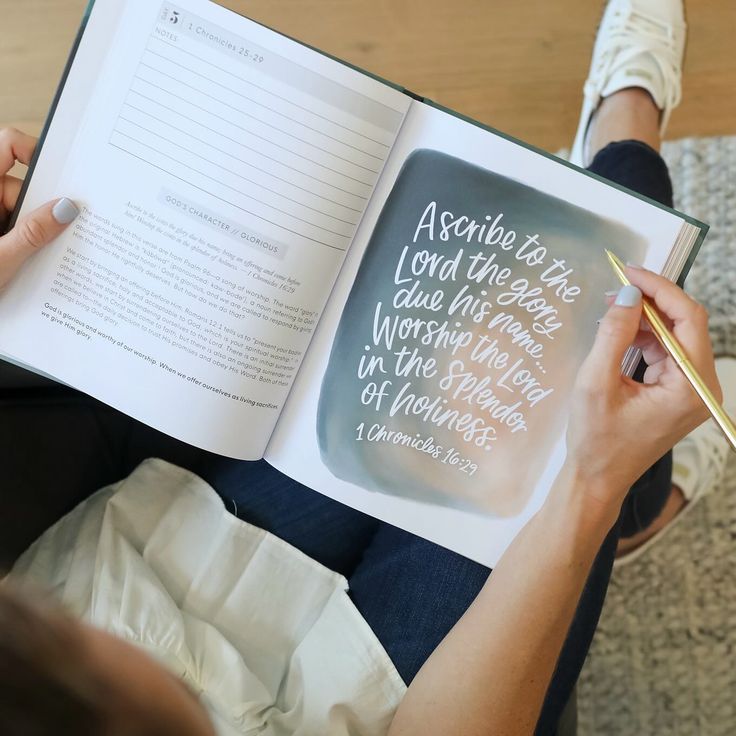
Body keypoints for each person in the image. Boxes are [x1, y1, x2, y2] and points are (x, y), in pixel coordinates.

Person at [0, 0, 733, 734]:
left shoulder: (51, 648)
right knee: (576, 372)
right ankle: (626, 117)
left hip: (145, 568)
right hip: (373, 712)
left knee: (475, 342)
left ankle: (636, 507)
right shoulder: (89, 687)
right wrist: (590, 487)